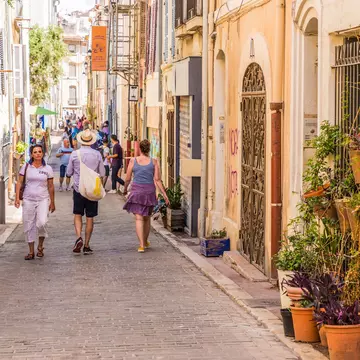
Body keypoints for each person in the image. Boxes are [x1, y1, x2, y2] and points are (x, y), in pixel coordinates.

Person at [123, 139, 169, 253]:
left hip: (137, 191)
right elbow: (157, 180)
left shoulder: (133, 161)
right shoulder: (153, 162)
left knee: (139, 218)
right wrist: (165, 194)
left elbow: (128, 178)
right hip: (149, 192)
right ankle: (145, 241)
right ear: (149, 149)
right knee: (147, 218)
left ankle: (141, 245)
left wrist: (125, 189)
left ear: (139, 149)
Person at [66, 129, 105, 255]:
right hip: (92, 190)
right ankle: (87, 245)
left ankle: (79, 237)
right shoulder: (97, 154)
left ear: (80, 140)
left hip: (78, 189)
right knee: (90, 217)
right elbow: (102, 174)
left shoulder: (74, 154)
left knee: (77, 215)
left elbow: (68, 173)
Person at [15, 145, 56, 260]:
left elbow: (51, 186)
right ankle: (31, 251)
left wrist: (52, 202)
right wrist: (17, 198)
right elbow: (19, 182)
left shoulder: (47, 169)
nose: (38, 154)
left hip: (43, 199)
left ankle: (41, 246)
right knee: (29, 224)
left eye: (39, 152)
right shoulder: (26, 167)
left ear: (43, 153)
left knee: (42, 222)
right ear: (32, 154)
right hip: (28, 199)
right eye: (35, 152)